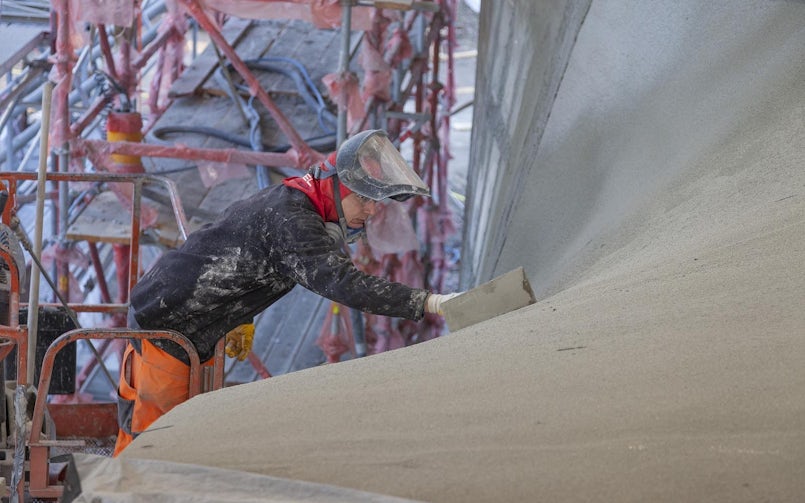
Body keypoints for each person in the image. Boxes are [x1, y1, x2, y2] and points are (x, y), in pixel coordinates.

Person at [114, 129, 459, 455]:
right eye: (364, 199)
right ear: (336, 189)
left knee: (173, 434)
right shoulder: (292, 222)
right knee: (154, 443)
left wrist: (237, 316)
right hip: (166, 326)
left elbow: (238, 250)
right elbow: (343, 283)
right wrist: (429, 301)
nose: (371, 211)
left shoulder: (292, 197)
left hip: (184, 316)